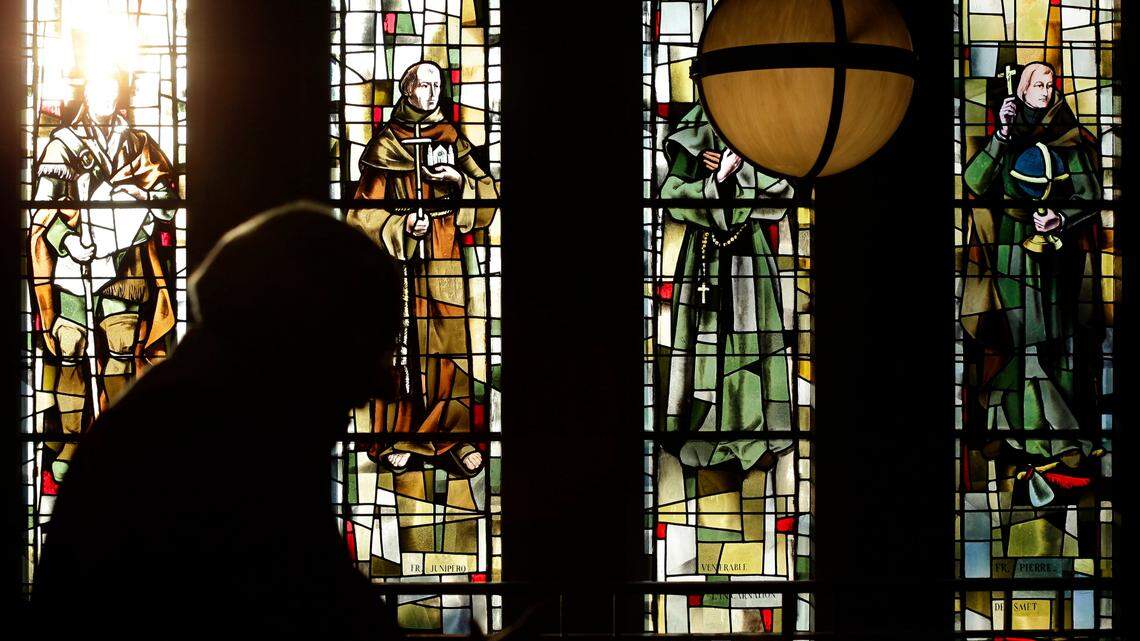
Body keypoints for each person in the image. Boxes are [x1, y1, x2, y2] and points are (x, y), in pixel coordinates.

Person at [32, 204, 405, 639]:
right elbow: (305, 603)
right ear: (297, 339)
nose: (371, 393)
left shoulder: (186, 411)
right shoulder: (212, 441)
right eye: (353, 361)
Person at [347, 60, 498, 477]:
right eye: (423, 85)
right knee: (402, 346)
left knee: (450, 343)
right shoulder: (385, 144)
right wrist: (400, 226)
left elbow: (487, 194)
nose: (432, 93)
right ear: (406, 88)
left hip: (445, 256)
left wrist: (458, 182)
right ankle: (399, 436)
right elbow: (360, 217)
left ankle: (453, 435)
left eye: (437, 86)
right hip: (399, 266)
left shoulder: (451, 137)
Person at [29, 70, 178, 483]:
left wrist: (150, 199)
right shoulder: (63, 146)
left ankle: (120, 436)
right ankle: (74, 441)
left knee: (120, 346)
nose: (105, 96)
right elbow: (40, 215)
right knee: (71, 347)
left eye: (113, 88)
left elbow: (169, 201)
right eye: (98, 88)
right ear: (87, 92)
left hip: (124, 264)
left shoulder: (140, 144)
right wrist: (67, 242)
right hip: (76, 267)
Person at [960, 61, 1105, 468]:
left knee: (1055, 340)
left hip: (1058, 255)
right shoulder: (1007, 135)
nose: (1043, 90)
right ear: (1020, 89)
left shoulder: (1068, 137)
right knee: (1020, 339)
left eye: (1048, 84)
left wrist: (1061, 218)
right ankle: (1033, 436)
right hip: (1010, 252)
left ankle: (1054, 434)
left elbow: (1090, 195)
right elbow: (974, 182)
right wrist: (1001, 134)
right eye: (1035, 84)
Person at [656, 103, 795, 471]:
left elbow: (782, 193)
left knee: (752, 340)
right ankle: (703, 429)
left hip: (749, 255)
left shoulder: (760, 127)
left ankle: (753, 430)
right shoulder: (693, 134)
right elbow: (671, 196)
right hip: (704, 256)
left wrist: (742, 170)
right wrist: (714, 183)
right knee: (705, 341)